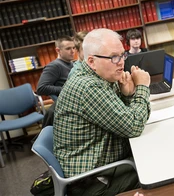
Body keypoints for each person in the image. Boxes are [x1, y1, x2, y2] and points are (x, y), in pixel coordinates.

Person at [53, 28, 151, 195]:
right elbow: (134, 126)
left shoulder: (103, 76)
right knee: (155, 171)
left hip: (104, 163)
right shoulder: (88, 87)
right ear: (91, 61)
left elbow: (124, 117)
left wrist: (128, 95)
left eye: (122, 55)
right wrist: (142, 87)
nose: (121, 62)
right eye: (114, 57)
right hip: (91, 181)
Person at [36, 35, 75, 100]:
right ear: (58, 50)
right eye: (68, 48)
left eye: (73, 48)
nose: (73, 51)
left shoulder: (71, 64)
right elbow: (41, 88)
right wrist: (67, 90)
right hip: (68, 102)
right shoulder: (54, 66)